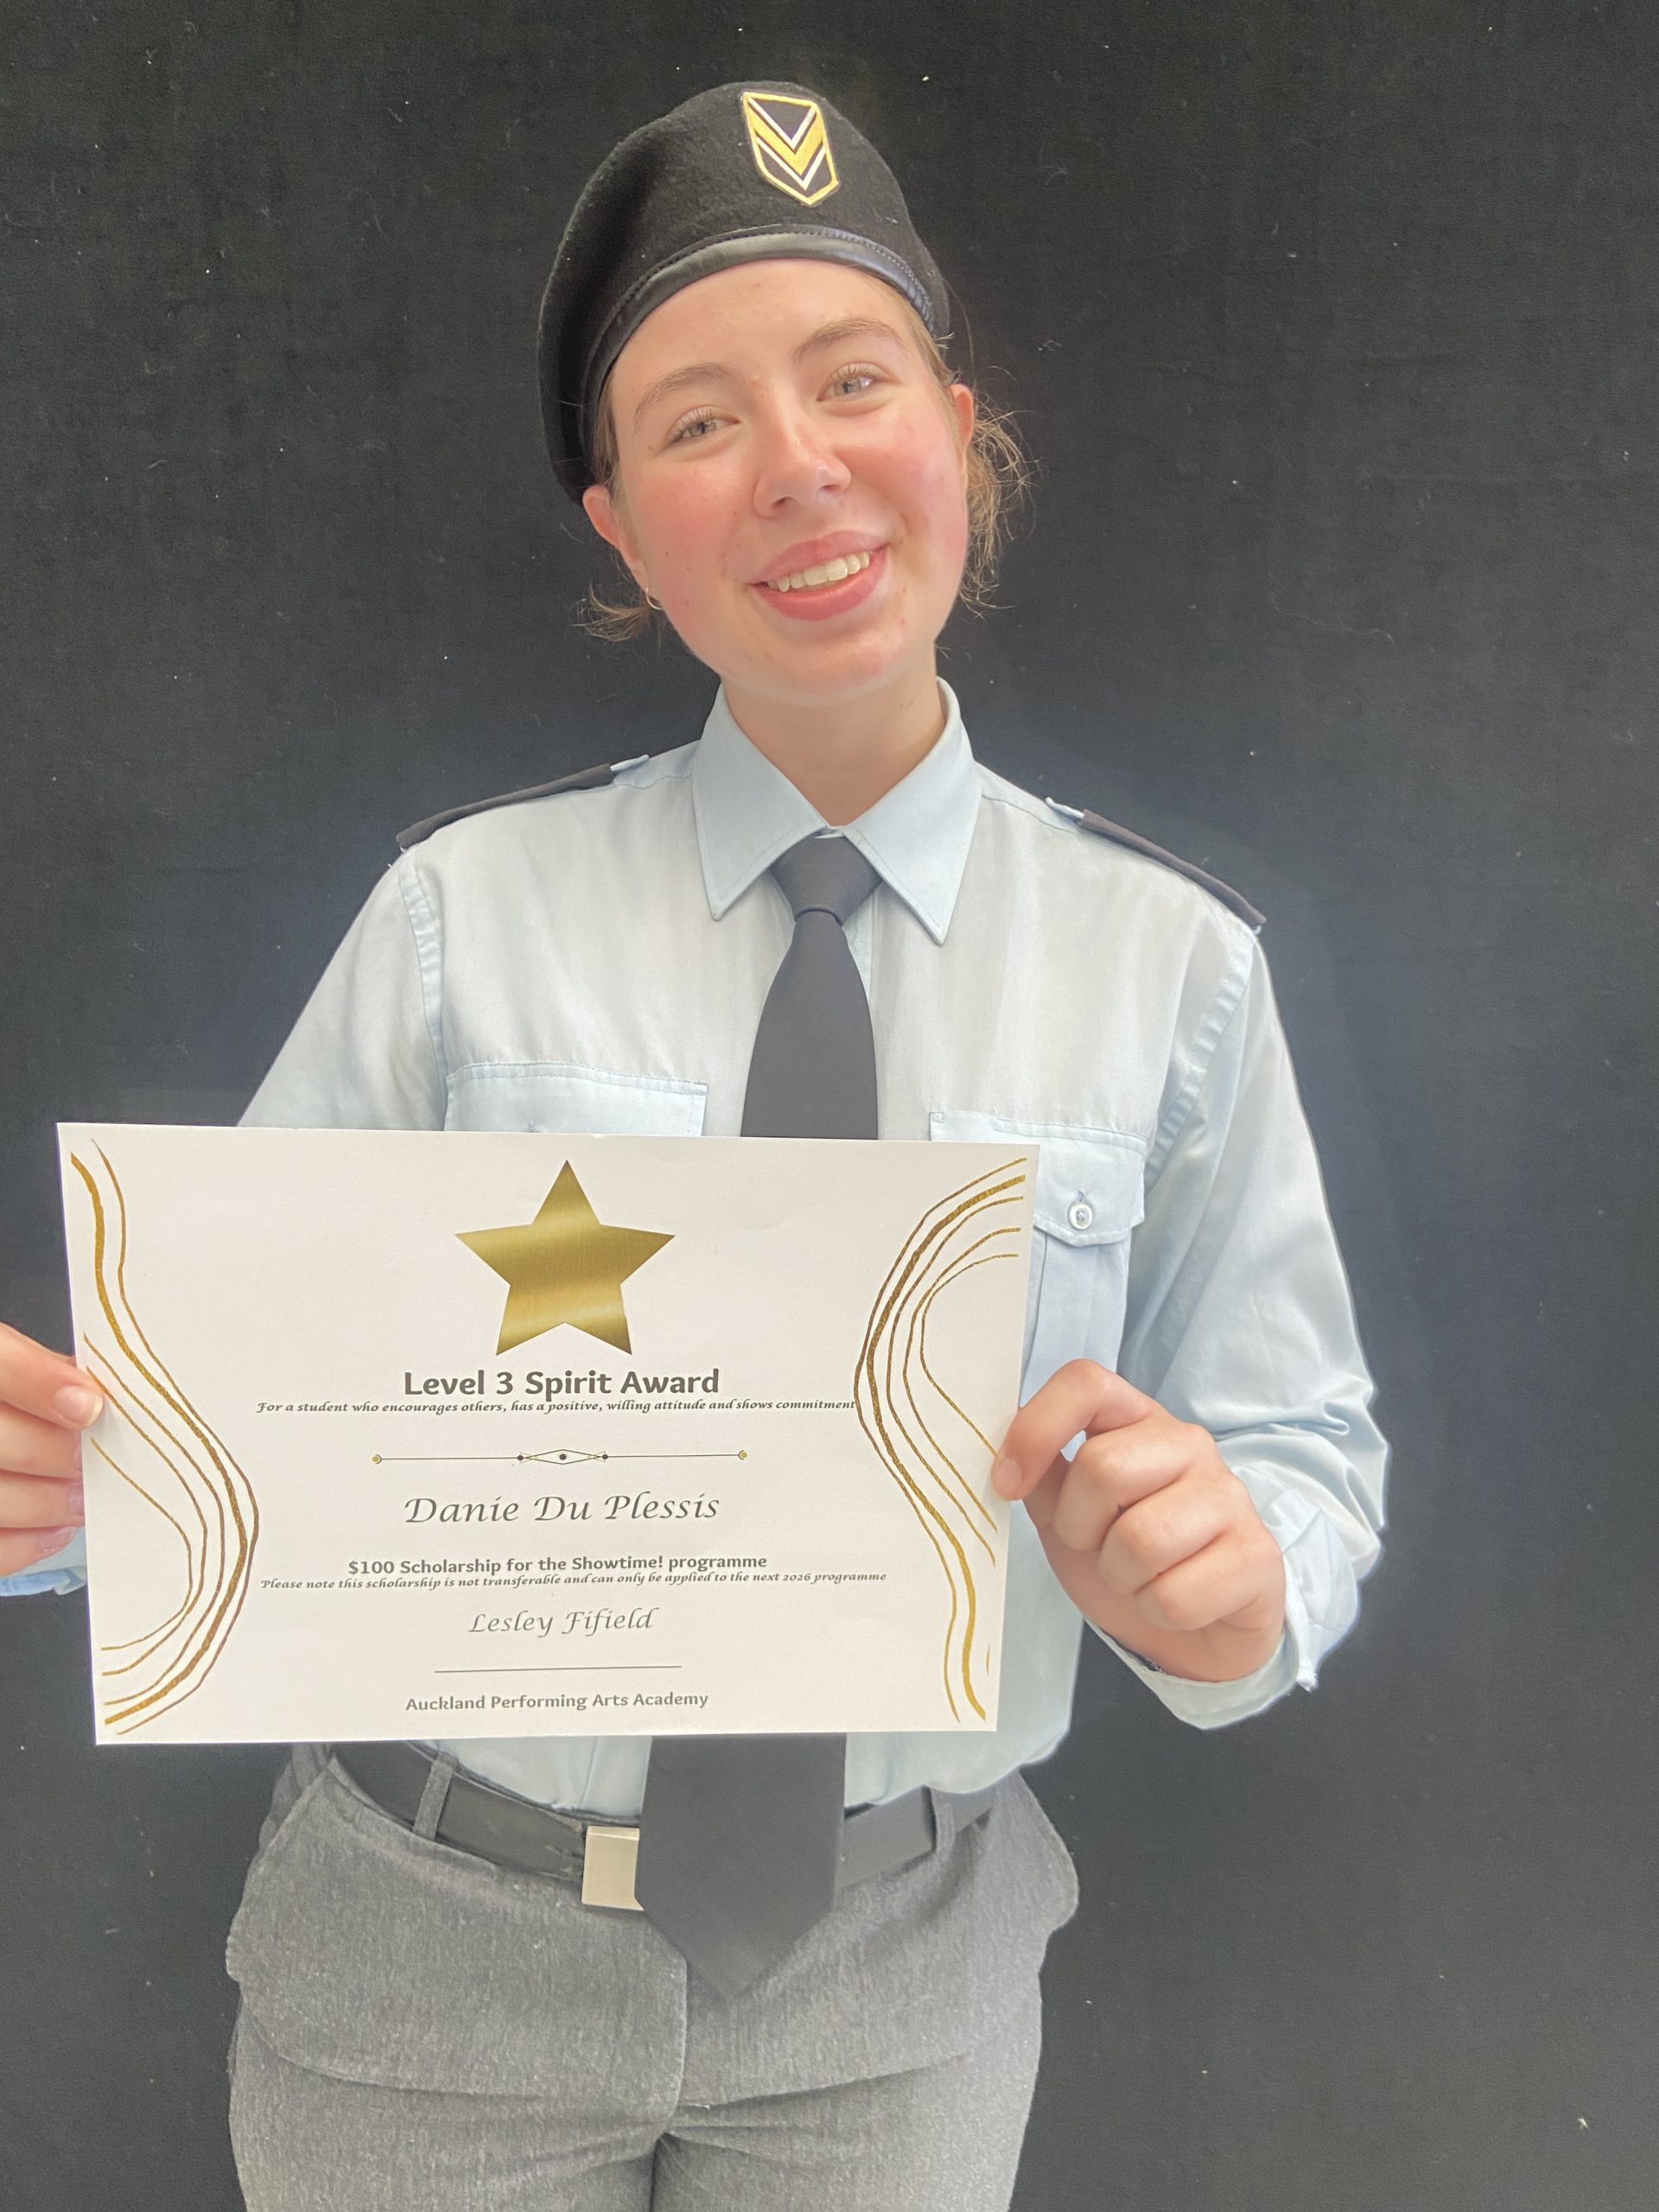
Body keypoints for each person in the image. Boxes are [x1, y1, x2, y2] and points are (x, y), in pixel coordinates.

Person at [0, 79, 1388, 2210]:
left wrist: (1239, 1583)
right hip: (428, 1958)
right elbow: (223, 1401)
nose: (798, 463)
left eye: (855, 380)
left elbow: (1301, 1443)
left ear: (961, 432)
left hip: (899, 1984)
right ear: (624, 529)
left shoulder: (1172, 969)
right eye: (698, 420)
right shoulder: (459, 921)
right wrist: (55, 1494)